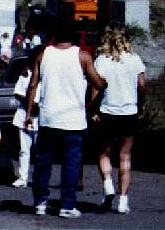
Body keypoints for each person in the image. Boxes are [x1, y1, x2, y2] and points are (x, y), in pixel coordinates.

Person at [25, 19, 107, 218]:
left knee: (43, 162)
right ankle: (67, 205)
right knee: (71, 163)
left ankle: (40, 202)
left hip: (48, 116)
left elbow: (33, 85)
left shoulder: (43, 54)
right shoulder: (83, 56)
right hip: (73, 119)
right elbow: (99, 84)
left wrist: (28, 113)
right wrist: (91, 104)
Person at [91, 26, 146, 214]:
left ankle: (108, 184)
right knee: (125, 156)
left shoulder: (102, 61)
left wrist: (92, 109)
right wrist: (140, 106)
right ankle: (123, 201)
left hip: (107, 110)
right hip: (129, 111)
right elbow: (142, 85)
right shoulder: (135, 60)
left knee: (103, 152)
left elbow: (95, 88)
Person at [12, 46, 43, 188]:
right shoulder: (26, 74)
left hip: (42, 117)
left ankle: (40, 178)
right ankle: (23, 177)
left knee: (41, 151)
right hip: (24, 115)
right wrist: (30, 104)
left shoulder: (48, 75)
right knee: (24, 149)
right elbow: (18, 93)